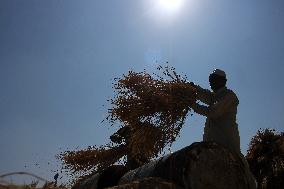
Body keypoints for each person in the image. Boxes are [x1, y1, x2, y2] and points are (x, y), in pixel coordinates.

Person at [190, 69, 257, 188]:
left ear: (223, 81)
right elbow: (205, 95)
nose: (211, 83)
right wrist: (192, 88)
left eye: (214, 80)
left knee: (238, 161)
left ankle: (250, 185)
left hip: (227, 139)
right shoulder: (215, 96)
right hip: (211, 141)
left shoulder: (229, 96)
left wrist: (192, 104)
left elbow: (214, 112)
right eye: (210, 80)